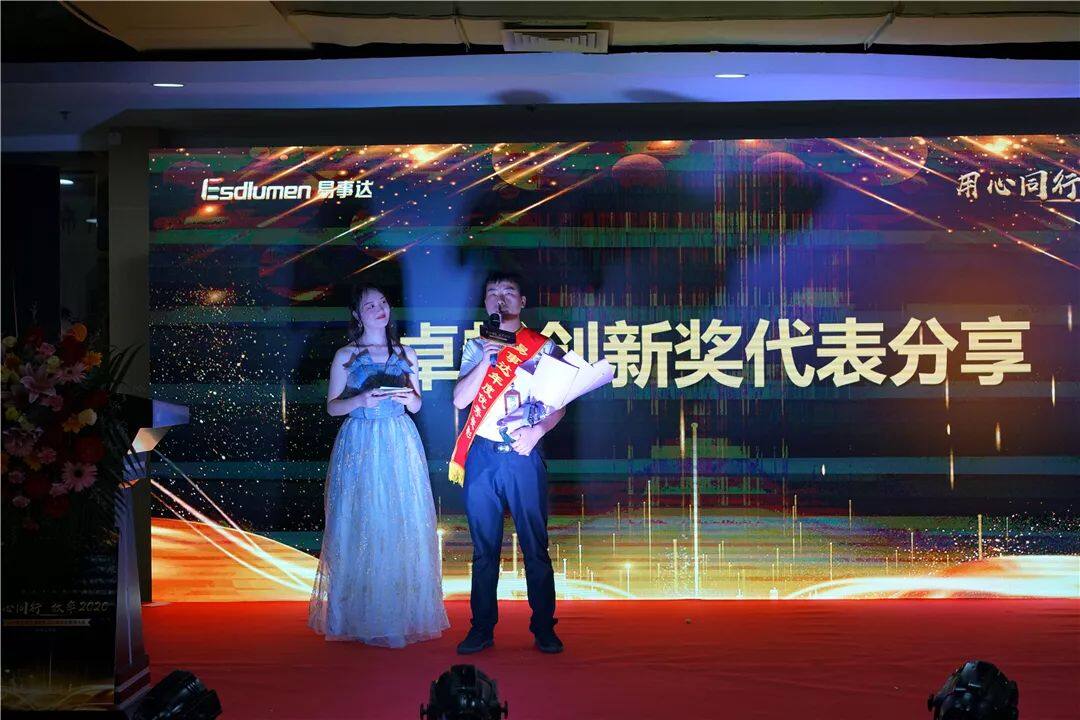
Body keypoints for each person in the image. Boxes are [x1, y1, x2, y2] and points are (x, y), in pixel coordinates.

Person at [308, 284, 449, 647]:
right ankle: (355, 617)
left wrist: (407, 396)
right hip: (360, 441)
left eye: (383, 302)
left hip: (399, 440)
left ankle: (397, 616)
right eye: (370, 305)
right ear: (357, 314)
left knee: (400, 522)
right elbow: (332, 407)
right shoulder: (345, 355)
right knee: (360, 524)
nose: (379, 309)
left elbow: (417, 405)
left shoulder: (406, 353)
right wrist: (360, 400)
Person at [451, 271, 565, 654]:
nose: (500, 298)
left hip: (523, 454)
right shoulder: (475, 347)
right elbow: (460, 400)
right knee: (484, 550)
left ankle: (544, 627)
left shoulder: (542, 347)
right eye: (492, 293)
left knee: (535, 546)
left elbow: (560, 403)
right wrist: (485, 361)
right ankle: (481, 628)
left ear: (522, 301)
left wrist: (538, 431)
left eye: (509, 292)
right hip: (482, 457)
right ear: (485, 302)